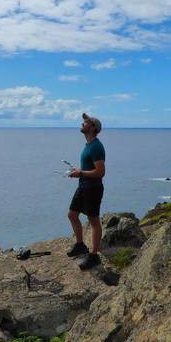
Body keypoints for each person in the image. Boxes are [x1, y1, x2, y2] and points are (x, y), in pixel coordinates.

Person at [66, 113, 106, 269]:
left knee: (94, 221)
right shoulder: (88, 145)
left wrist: (81, 173)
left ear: (93, 127)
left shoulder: (96, 146)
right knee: (72, 214)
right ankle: (81, 245)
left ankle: (94, 256)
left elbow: (100, 172)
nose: (82, 123)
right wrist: (79, 171)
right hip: (83, 186)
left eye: (86, 121)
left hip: (93, 188)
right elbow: (91, 169)